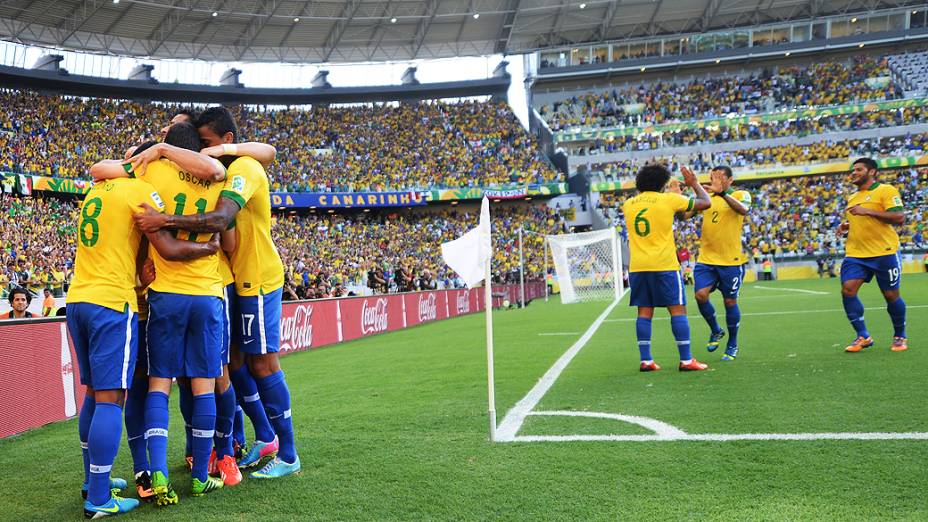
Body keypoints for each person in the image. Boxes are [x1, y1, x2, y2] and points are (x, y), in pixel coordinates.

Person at [134, 106, 300, 479]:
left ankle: (287, 452)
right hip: (226, 282)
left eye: (207, 145)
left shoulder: (240, 169)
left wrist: (165, 220)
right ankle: (257, 439)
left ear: (226, 142)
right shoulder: (211, 170)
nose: (202, 152)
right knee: (233, 366)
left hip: (252, 278)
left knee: (259, 364)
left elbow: (225, 225)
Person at [66, 143, 220, 518]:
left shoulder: (98, 187)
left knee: (92, 394)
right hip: (111, 305)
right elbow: (166, 246)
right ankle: (99, 498)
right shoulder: (139, 190)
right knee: (110, 398)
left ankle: (93, 480)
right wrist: (209, 246)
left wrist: (138, 271)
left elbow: (98, 170)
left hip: (78, 298)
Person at [622, 164, 711, 372]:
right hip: (664, 264)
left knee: (644, 312)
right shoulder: (669, 199)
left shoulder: (628, 204)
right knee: (677, 310)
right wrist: (694, 183)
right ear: (662, 184)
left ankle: (646, 360)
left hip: (638, 266)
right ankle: (687, 360)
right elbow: (706, 203)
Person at [838, 158, 908, 353]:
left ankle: (900, 336)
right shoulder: (852, 197)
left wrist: (866, 211)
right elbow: (861, 221)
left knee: (891, 295)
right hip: (856, 253)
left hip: (884, 252)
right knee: (848, 290)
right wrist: (846, 225)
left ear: (872, 172)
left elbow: (899, 217)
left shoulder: (886, 190)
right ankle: (863, 336)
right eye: (852, 170)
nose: (853, 173)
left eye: (859, 169)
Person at [686, 166, 750, 361]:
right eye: (713, 177)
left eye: (720, 177)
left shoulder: (740, 194)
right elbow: (684, 216)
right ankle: (715, 329)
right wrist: (682, 197)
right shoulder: (707, 198)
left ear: (730, 180)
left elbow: (744, 210)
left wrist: (723, 194)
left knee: (730, 301)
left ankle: (732, 343)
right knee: (700, 295)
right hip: (706, 259)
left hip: (730, 261)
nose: (716, 180)